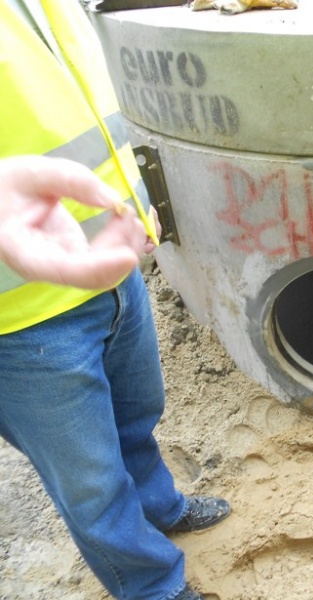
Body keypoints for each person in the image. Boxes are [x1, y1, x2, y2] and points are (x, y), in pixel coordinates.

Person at [0, 2, 230, 599]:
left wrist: (134, 198)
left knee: (136, 418)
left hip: (113, 268)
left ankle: (158, 507)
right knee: (92, 483)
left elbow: (82, 111)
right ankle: (153, 586)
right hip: (22, 317)